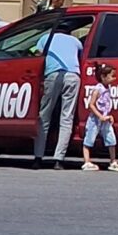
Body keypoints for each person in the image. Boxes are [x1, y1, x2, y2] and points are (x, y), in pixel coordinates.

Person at [33, 16, 83, 168]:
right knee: (67, 117)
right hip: (73, 75)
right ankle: (59, 159)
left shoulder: (45, 38)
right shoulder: (76, 41)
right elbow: (80, 56)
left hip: (53, 74)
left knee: (44, 116)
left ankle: (38, 157)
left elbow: (36, 55)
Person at [78, 62, 118, 172]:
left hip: (105, 119)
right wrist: (99, 116)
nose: (114, 78)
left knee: (111, 139)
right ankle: (86, 162)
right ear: (103, 77)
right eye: (112, 76)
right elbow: (91, 105)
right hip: (95, 120)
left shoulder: (107, 88)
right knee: (89, 139)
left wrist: (108, 116)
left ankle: (113, 161)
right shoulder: (98, 89)